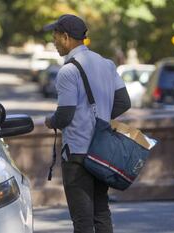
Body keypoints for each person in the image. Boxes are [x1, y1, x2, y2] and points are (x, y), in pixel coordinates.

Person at [43, 14, 131, 233]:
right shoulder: (107, 64)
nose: (53, 42)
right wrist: (99, 118)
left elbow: (65, 115)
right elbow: (124, 102)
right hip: (100, 151)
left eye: (55, 36)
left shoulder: (67, 71)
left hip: (77, 155)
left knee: (82, 220)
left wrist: (50, 122)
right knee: (101, 213)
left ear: (65, 37)